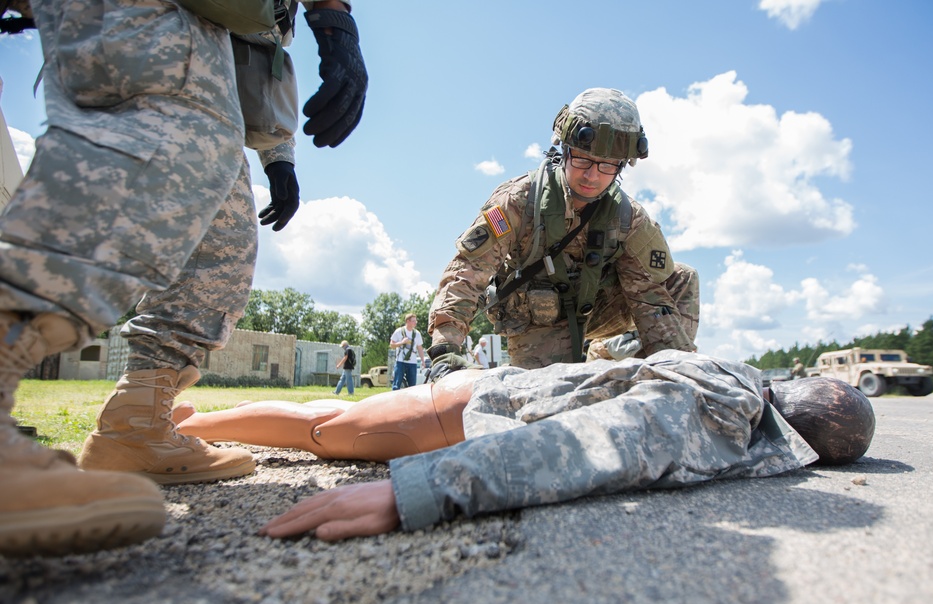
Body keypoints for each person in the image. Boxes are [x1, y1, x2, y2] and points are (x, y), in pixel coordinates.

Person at [0, 0, 366, 557]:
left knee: (225, 238)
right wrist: (335, 17)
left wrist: (279, 159)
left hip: (208, 26)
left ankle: (136, 426)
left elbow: (251, 50)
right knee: (166, 134)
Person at [167, 351, 876, 542]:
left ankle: (187, 421)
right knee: (329, 434)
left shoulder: (745, 404)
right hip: (480, 404)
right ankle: (183, 426)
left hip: (500, 397)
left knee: (334, 424)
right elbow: (598, 441)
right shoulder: (727, 404)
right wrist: (415, 489)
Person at [425, 88, 700, 374]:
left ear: (622, 165)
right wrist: (446, 349)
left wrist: (674, 370)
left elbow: (650, 299)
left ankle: (622, 367)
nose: (592, 175)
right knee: (548, 398)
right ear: (565, 149)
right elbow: (468, 272)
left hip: (597, 310)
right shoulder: (519, 201)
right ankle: (599, 358)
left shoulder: (628, 219)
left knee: (680, 279)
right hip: (539, 322)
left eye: (607, 165)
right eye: (582, 159)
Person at [389, 313, 425, 390]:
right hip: (400, 361)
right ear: (408, 321)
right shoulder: (399, 331)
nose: (415, 322)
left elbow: (420, 348)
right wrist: (402, 342)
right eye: (413, 321)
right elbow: (392, 345)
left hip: (412, 362)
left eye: (416, 321)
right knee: (397, 384)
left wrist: (422, 361)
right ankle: (394, 400)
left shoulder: (417, 334)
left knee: (412, 385)